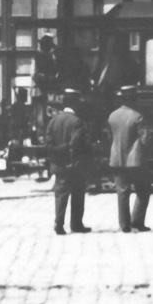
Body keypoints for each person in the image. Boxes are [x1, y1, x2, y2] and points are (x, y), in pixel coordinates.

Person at [45, 90, 92, 236]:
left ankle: (59, 224)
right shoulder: (77, 121)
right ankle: (76, 224)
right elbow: (76, 144)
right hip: (73, 164)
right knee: (78, 194)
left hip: (58, 164)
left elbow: (48, 144)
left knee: (60, 194)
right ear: (75, 104)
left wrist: (56, 153)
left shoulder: (53, 120)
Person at [108, 85, 151, 233]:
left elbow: (110, 137)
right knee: (143, 190)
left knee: (122, 192)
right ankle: (137, 222)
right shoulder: (138, 116)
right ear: (133, 98)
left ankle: (124, 226)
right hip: (135, 161)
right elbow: (145, 140)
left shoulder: (112, 116)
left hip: (116, 159)